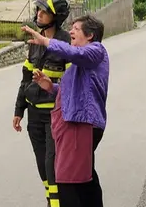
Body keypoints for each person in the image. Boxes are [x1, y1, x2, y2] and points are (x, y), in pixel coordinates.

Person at [26, 14, 109, 207]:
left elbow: (73, 54)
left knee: (67, 180)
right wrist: (50, 86)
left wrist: (46, 41)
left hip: (81, 125)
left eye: (76, 29)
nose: (71, 31)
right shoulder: (82, 61)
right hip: (77, 124)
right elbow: (73, 91)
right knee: (84, 178)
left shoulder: (96, 50)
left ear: (90, 35)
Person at [14, 0, 72, 207]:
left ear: (56, 16)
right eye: (38, 10)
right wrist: (19, 110)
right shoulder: (35, 42)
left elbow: (70, 82)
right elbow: (25, 78)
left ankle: (56, 204)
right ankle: (52, 200)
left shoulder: (67, 43)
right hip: (34, 113)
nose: (38, 14)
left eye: (44, 11)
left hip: (55, 114)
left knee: (51, 162)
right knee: (41, 163)